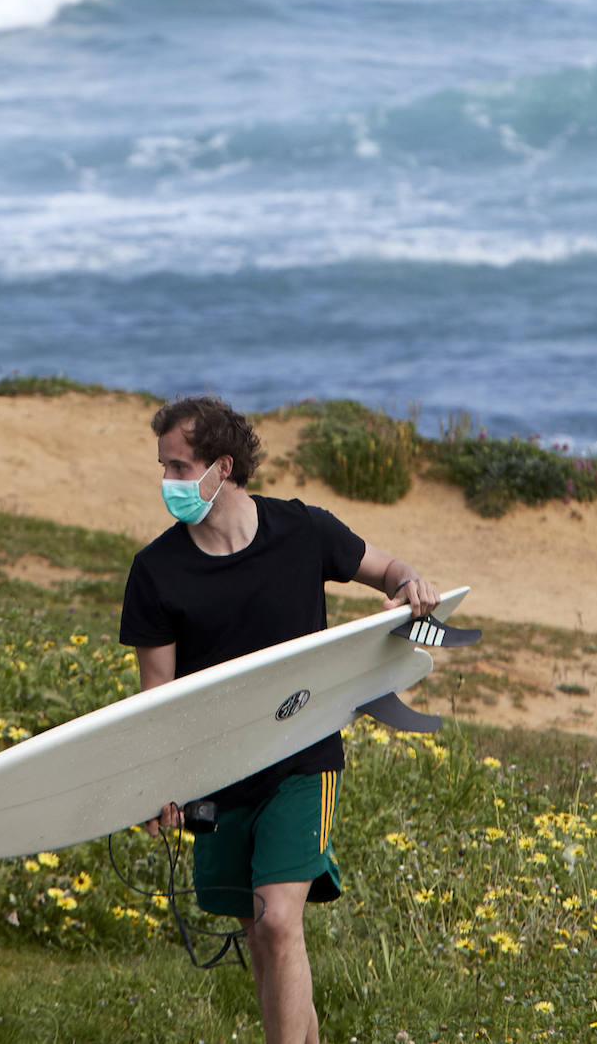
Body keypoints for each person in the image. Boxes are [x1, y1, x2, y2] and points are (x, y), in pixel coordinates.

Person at [119, 395, 440, 1044]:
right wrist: (159, 785)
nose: (168, 484)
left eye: (180, 468)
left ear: (223, 466)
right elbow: (153, 700)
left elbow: (386, 569)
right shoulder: (156, 572)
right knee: (260, 936)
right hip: (219, 769)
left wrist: (410, 585)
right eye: (164, 468)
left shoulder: (302, 532)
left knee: (275, 922)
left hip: (302, 755)